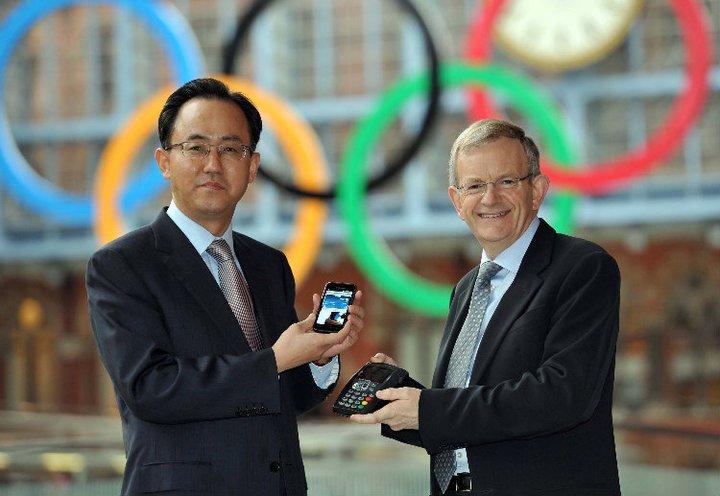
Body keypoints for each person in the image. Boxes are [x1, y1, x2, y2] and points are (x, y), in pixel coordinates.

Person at [86, 78, 364, 496]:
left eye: (231, 149)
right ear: (164, 161)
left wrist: (317, 356)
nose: (213, 164)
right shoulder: (122, 265)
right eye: (196, 147)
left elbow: (284, 396)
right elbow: (150, 388)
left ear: (252, 168)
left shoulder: (269, 265)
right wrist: (275, 359)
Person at [351, 119, 621, 496]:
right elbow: (466, 422)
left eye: (506, 181)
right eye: (475, 185)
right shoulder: (466, 289)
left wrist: (427, 408)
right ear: (457, 202)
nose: (490, 198)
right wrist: (402, 398)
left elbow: (562, 395)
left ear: (537, 190)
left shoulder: (583, 267)